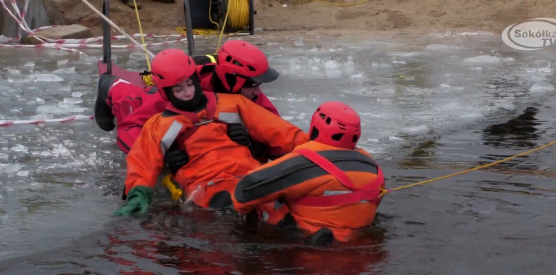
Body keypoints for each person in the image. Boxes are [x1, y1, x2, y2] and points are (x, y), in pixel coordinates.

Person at [113, 48, 308, 217]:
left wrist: (317, 147)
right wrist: (142, 188)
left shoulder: (235, 102)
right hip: (206, 184)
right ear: (167, 92)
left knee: (276, 200)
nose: (188, 93)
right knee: (224, 203)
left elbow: (280, 131)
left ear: (196, 80)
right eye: (179, 89)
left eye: (190, 85)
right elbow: (142, 160)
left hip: (246, 173)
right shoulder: (158, 123)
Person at [94, 40, 282, 170]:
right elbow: (130, 129)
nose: (258, 91)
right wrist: (161, 157)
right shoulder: (186, 88)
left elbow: (278, 135)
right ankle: (109, 85)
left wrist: (254, 142)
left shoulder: (251, 95)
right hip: (148, 98)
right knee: (132, 100)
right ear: (232, 79)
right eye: (252, 84)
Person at [231, 101, 385, 244]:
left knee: (263, 200)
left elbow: (243, 193)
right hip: (358, 237)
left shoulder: (301, 163)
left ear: (316, 127)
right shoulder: (372, 166)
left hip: (310, 237)